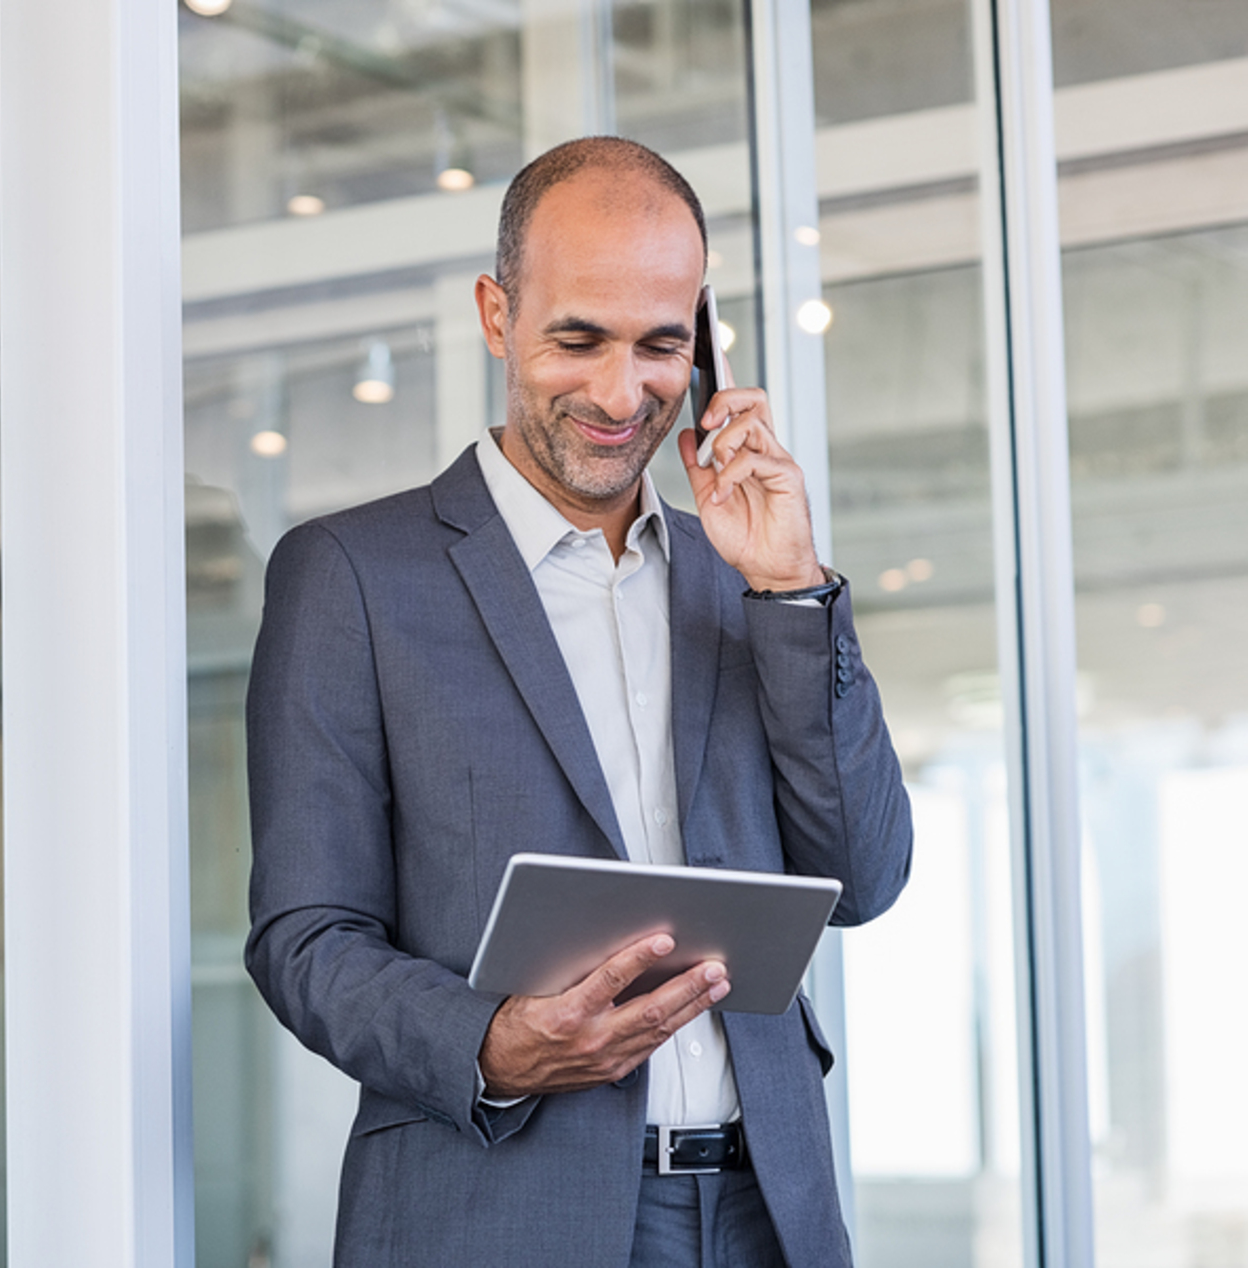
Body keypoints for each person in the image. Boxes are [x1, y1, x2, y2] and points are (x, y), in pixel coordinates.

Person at [243, 136, 913, 1267]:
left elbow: (864, 873)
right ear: (497, 315)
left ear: (701, 340)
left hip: (767, 1213)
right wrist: (495, 1042)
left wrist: (793, 593)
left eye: (660, 345)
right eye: (578, 339)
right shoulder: (353, 576)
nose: (619, 393)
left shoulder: (740, 576)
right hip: (499, 1212)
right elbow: (305, 936)